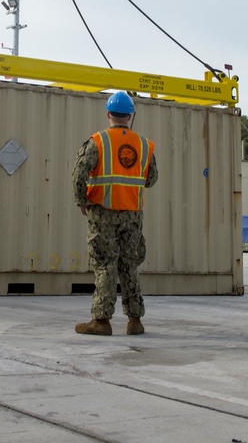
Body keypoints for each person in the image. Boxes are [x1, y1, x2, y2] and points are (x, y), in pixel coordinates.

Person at [71, 91, 157, 336]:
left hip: (103, 214)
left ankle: (101, 321)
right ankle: (134, 321)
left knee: (105, 264)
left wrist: (82, 200)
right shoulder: (144, 144)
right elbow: (151, 179)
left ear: (108, 114)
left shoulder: (98, 141)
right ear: (130, 116)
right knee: (130, 265)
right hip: (132, 214)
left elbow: (78, 174)